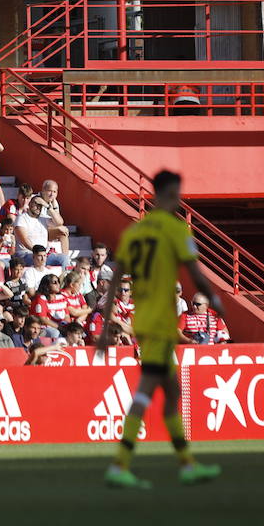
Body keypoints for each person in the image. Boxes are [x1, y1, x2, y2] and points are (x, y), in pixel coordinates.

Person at [94, 170, 222, 490]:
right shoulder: (175, 228)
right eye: (176, 193)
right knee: (151, 392)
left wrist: (103, 329)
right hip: (160, 325)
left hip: (145, 321)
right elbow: (196, 271)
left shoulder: (134, 233)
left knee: (167, 392)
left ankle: (184, 464)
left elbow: (112, 287)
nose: (179, 199)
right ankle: (122, 464)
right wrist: (216, 300)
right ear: (166, 194)